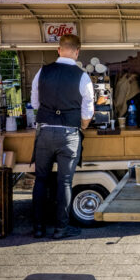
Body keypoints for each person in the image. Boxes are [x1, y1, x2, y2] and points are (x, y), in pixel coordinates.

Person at [30, 34, 93, 239]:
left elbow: (35, 103)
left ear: (59, 50)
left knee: (41, 180)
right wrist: (82, 125)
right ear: (77, 52)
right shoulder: (82, 76)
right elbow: (87, 111)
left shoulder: (42, 72)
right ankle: (60, 229)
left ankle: (38, 228)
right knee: (64, 182)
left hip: (45, 131)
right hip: (69, 134)